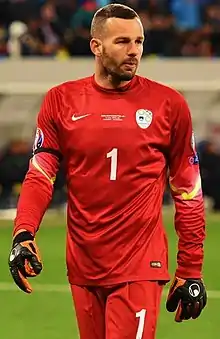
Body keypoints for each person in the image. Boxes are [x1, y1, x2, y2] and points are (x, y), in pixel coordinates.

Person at [8, 4, 207, 339]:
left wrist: (191, 268)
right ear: (95, 46)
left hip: (140, 265)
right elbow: (40, 174)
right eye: (122, 42)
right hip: (84, 265)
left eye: (139, 42)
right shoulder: (60, 101)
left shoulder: (169, 105)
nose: (134, 52)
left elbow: (188, 190)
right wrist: (23, 232)